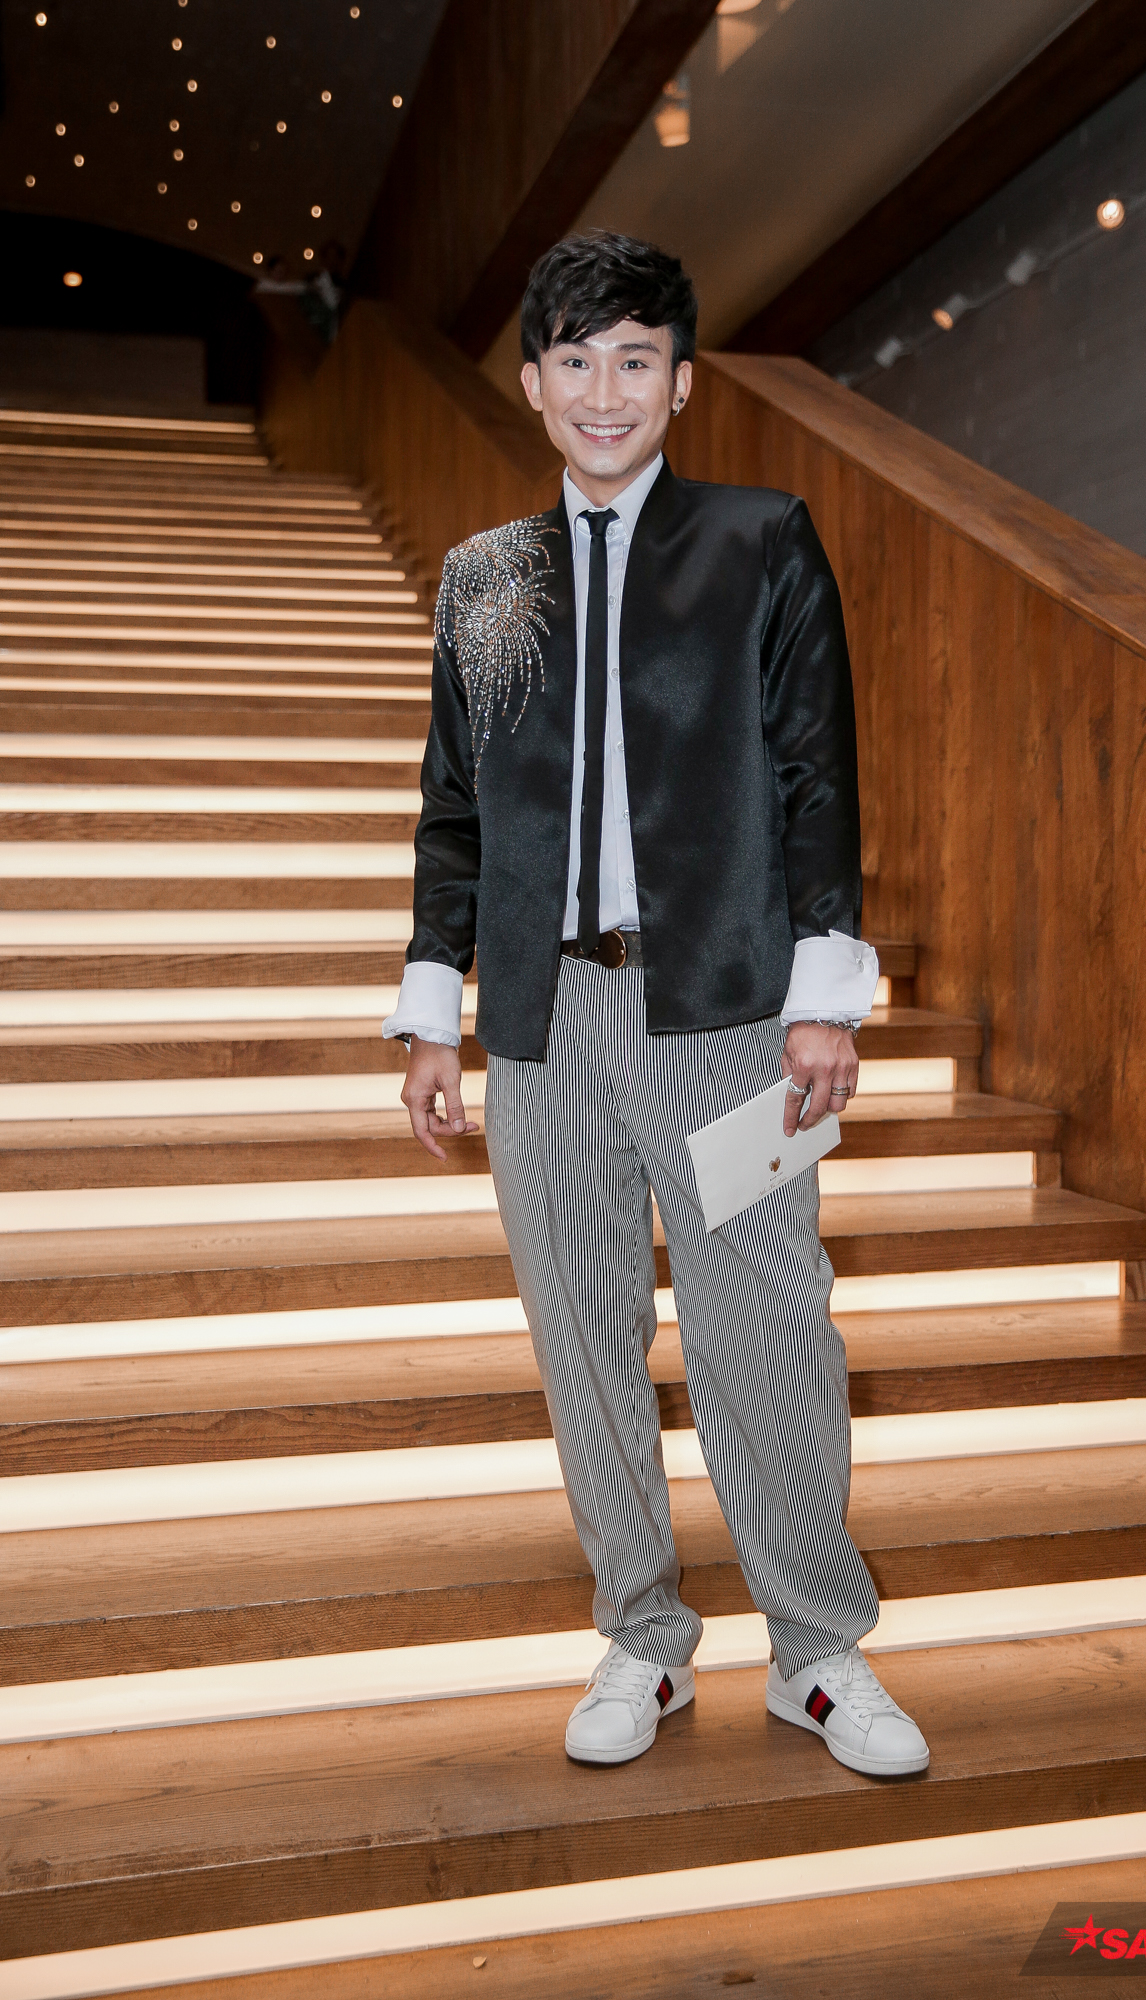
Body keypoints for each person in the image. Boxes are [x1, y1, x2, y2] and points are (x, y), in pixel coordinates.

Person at [384, 230, 929, 1781]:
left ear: (681, 383)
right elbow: (452, 811)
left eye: (635, 359)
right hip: (544, 1023)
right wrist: (432, 1008)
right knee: (583, 1336)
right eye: (574, 359)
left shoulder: (761, 541)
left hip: (730, 1016)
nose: (603, 389)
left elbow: (818, 776)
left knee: (770, 1329)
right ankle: (641, 1634)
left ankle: (816, 1651)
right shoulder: (485, 579)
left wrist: (825, 998)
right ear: (532, 382)